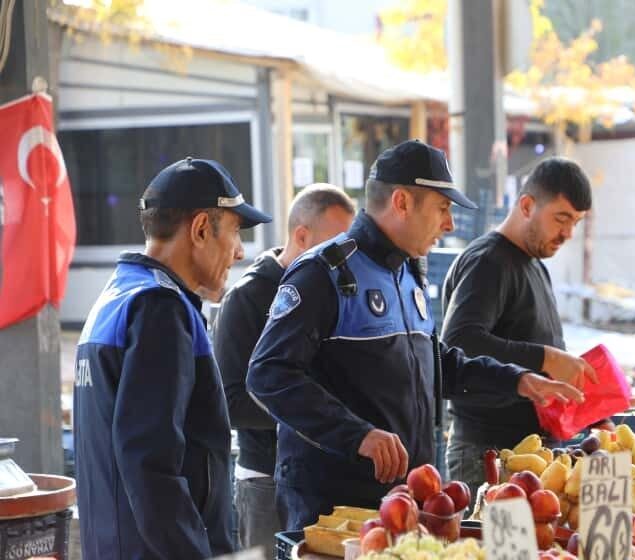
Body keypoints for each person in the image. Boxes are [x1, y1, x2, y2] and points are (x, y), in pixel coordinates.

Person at [246, 140, 588, 530]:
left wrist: (518, 380)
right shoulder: (324, 273)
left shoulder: (409, 272)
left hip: (406, 499)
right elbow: (268, 373)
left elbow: (439, 365)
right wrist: (357, 435)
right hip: (334, 506)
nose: (450, 224)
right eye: (442, 208)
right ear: (402, 202)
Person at [73, 157, 271, 559]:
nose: (238, 252)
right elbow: (151, 465)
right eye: (235, 231)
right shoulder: (161, 310)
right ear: (200, 229)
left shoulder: (117, 296)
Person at [212, 184, 355, 554]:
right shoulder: (246, 298)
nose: (345, 259)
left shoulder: (337, 291)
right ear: (302, 236)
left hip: (323, 473)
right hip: (265, 480)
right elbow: (230, 402)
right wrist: (313, 414)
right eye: (336, 246)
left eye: (349, 247)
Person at [441, 156, 596, 494]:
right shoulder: (488, 262)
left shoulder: (535, 264)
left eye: (576, 222)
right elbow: (459, 342)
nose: (568, 233)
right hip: (489, 456)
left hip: (536, 455)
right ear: (527, 206)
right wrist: (546, 358)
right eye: (561, 218)